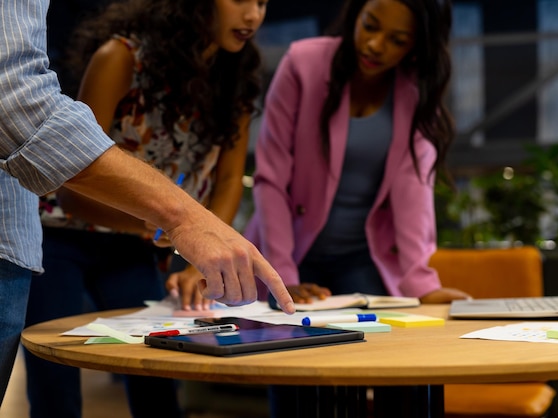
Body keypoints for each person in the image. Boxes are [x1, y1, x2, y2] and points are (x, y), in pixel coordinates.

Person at [0, 0, 294, 410]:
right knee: (55, 378)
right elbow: (71, 186)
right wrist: (169, 226)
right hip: (63, 234)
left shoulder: (237, 79)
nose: (253, 15)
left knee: (159, 369)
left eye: (263, 2)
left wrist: (196, 262)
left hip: (141, 241)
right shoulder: (121, 57)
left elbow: (228, 179)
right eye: (239, 0)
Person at [244, 0, 470, 413]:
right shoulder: (304, 62)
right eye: (370, 25)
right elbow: (271, 179)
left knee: (403, 366)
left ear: (416, 47)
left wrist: (423, 285)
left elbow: (413, 191)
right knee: (296, 383)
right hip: (288, 256)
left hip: (360, 259)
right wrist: (282, 276)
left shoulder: (415, 92)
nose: (374, 44)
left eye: (397, 40)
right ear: (356, 15)